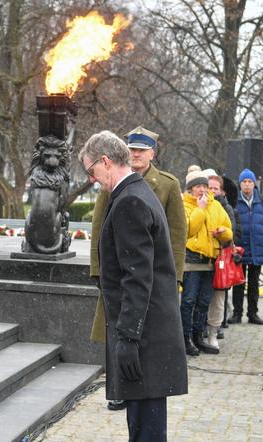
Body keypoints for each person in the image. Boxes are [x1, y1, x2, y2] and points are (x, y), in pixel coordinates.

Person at [79, 130, 187, 441]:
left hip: (144, 338)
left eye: (92, 171)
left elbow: (137, 278)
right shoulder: (138, 192)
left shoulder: (130, 200)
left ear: (105, 160)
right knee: (145, 427)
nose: (93, 180)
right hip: (150, 332)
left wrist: (127, 338)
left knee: (146, 431)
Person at [181, 166, 232, 356]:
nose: (202, 189)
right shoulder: (184, 205)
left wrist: (222, 232)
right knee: (188, 300)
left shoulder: (216, 205)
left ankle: (198, 336)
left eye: (204, 185)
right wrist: (200, 209)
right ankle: (185, 338)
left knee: (204, 302)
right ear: (190, 189)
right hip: (191, 262)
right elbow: (189, 229)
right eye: (198, 186)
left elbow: (228, 231)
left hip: (210, 261)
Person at [206, 171, 241, 349]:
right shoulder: (200, 205)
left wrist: (222, 233)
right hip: (202, 259)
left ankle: (214, 331)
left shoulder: (226, 209)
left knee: (218, 299)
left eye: (216, 188)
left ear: (222, 191)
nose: (212, 191)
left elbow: (231, 234)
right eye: (209, 187)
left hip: (220, 260)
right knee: (199, 299)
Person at [229, 168, 263, 325]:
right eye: (244, 182)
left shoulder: (260, 201)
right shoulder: (235, 201)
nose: (247, 185)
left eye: (250, 182)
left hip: (257, 248)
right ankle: (237, 313)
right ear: (240, 184)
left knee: (254, 283)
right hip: (239, 249)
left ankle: (253, 313)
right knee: (238, 283)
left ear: (254, 184)